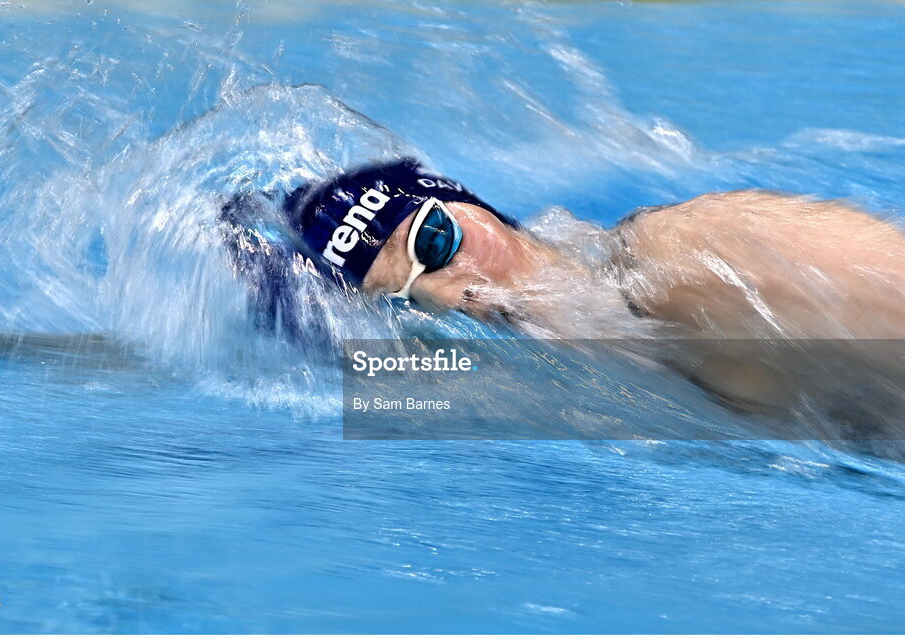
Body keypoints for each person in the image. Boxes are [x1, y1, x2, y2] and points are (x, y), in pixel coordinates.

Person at [285, 158, 905, 426]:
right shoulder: (585, 378)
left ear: (476, 208)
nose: (449, 300)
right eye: (404, 304)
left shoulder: (692, 257)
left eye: (438, 243)